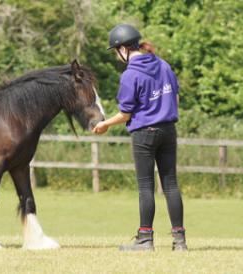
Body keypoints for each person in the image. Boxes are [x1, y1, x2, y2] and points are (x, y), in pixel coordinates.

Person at [93, 24, 187, 251]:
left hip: (144, 133)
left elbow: (126, 113)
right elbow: (175, 101)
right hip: (168, 130)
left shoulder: (130, 75)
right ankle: (180, 241)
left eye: (116, 51)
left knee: (146, 186)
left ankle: (145, 239)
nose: (117, 56)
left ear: (123, 49)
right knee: (171, 185)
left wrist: (104, 123)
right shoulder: (163, 65)